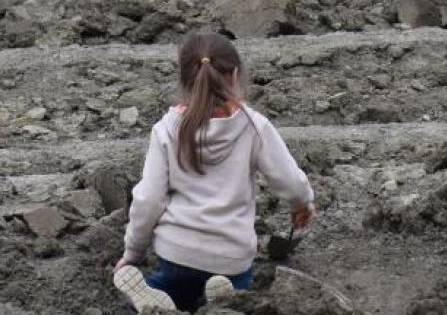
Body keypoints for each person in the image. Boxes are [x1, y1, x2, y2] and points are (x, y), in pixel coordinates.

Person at [115, 31, 316, 313]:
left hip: (177, 251)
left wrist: (133, 253)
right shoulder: (253, 126)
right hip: (230, 258)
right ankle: (222, 303)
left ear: (185, 78)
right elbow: (290, 182)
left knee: (172, 289)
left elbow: (148, 199)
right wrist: (302, 203)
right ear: (235, 75)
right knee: (236, 299)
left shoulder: (167, 128)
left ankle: (159, 297)